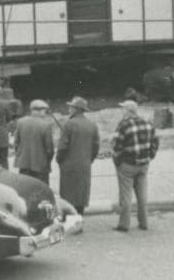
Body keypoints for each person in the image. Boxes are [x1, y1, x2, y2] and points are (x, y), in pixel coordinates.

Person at [111, 99, 159, 232]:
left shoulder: (123, 125)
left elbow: (116, 145)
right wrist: (150, 156)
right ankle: (143, 222)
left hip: (127, 165)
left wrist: (117, 160)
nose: (121, 111)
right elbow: (155, 142)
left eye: (123, 108)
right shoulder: (147, 123)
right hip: (144, 164)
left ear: (127, 111)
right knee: (142, 195)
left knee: (126, 196)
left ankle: (124, 224)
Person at [56, 96, 100, 215]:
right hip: (85, 164)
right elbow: (96, 147)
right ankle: (79, 220)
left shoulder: (69, 124)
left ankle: (69, 221)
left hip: (68, 165)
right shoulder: (92, 125)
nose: (69, 109)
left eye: (71, 107)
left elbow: (62, 147)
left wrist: (59, 160)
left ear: (76, 109)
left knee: (67, 194)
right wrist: (88, 160)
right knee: (81, 194)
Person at [14, 99, 56, 185]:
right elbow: (49, 149)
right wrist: (47, 160)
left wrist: (20, 155)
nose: (45, 113)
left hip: (24, 164)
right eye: (45, 111)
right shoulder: (46, 125)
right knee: (41, 190)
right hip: (41, 165)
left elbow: (16, 143)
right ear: (40, 111)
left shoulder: (21, 122)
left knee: (25, 189)